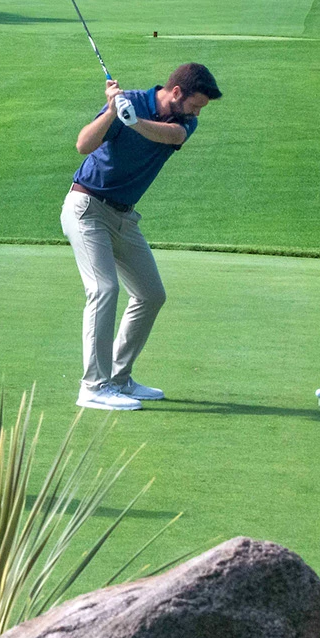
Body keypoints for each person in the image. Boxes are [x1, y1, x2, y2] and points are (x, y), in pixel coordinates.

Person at [63, 62, 221, 412]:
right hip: (86, 206)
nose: (196, 114)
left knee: (151, 294)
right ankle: (93, 386)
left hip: (123, 218)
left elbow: (169, 137)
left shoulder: (182, 124)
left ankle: (118, 379)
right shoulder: (128, 101)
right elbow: (83, 145)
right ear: (176, 92)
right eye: (195, 105)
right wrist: (111, 113)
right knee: (103, 289)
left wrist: (133, 121)